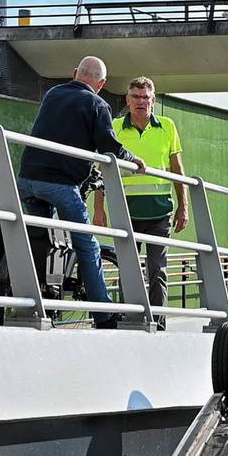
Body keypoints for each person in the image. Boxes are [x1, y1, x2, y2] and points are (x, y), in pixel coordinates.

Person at [17, 56, 145, 329]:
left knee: (41, 240)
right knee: (87, 244)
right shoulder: (97, 103)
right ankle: (103, 314)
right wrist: (132, 159)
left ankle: (36, 301)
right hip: (60, 184)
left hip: (27, 178)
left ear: (74, 73)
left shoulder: (53, 94)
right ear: (101, 84)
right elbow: (109, 146)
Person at [93, 77, 187, 331]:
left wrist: (184, 206)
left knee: (158, 270)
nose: (141, 102)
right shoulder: (114, 127)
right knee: (128, 271)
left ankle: (159, 324)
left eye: (146, 98)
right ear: (128, 100)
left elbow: (178, 170)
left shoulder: (167, 127)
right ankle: (131, 320)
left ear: (153, 101)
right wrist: (98, 208)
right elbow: (103, 169)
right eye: (136, 97)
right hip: (126, 213)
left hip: (160, 212)